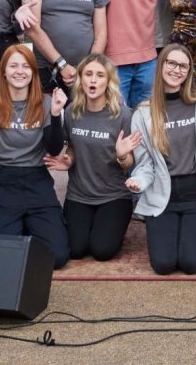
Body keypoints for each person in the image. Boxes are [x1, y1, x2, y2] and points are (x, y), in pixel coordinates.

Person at [0, 44, 70, 269]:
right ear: (3, 71)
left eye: (25, 66)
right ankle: (18, 226)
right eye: (13, 66)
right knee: (2, 255)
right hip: (0, 179)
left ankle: (25, 224)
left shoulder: (47, 102)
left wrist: (55, 114)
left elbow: (52, 150)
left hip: (35, 179)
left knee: (57, 256)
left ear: (33, 72)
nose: (19, 71)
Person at [125, 44, 196, 275]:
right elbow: (144, 164)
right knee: (163, 265)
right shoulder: (143, 113)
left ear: (189, 72)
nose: (177, 70)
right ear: (161, 66)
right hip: (162, 195)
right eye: (171, 63)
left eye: (183, 66)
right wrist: (138, 182)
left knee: (191, 264)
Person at [46, 54, 140, 261]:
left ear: (108, 82)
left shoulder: (124, 115)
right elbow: (71, 146)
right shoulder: (72, 111)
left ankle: (113, 225)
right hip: (79, 194)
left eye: (100, 75)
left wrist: (122, 155)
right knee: (77, 250)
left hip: (113, 195)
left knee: (102, 251)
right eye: (88, 74)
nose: (93, 80)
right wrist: (68, 159)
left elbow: (129, 164)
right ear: (81, 79)